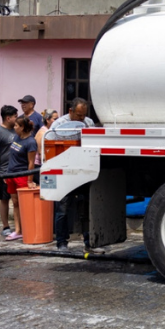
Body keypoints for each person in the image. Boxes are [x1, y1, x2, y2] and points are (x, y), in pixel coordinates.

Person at [51, 100, 100, 254]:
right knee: (62, 209)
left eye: (83, 115)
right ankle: (61, 242)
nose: (81, 119)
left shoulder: (88, 122)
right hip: (64, 171)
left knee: (86, 207)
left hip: (83, 169)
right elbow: (49, 145)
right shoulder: (58, 124)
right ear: (70, 111)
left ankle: (88, 241)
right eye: (78, 115)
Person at [3, 115, 38, 242]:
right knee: (15, 203)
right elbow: (11, 157)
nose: (14, 127)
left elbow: (31, 163)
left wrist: (29, 180)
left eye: (17, 125)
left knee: (24, 204)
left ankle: (27, 229)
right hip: (11, 174)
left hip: (22, 176)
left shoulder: (31, 142)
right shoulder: (17, 137)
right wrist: (7, 174)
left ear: (22, 127)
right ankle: (18, 230)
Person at [0, 105, 18, 238]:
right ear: (8, 118)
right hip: (4, 172)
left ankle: (19, 227)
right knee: (5, 199)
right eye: (15, 117)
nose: (17, 119)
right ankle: (6, 226)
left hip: (17, 171)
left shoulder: (17, 130)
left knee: (17, 200)